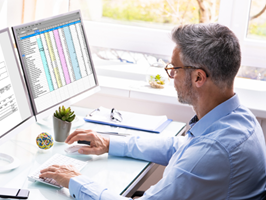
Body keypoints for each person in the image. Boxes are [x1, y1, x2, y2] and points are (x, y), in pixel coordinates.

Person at [39, 23, 266, 199]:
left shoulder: (212, 153)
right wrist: (110, 143)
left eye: (174, 69)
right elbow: (182, 146)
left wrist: (75, 181)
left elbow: (198, 155)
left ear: (198, 77)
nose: (172, 77)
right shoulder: (239, 118)